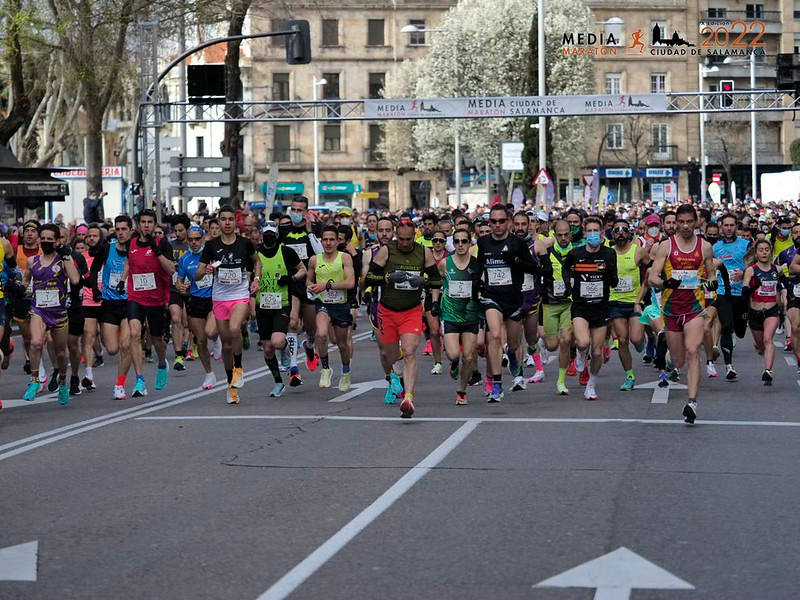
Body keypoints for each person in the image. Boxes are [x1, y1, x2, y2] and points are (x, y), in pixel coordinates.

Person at [365, 220, 441, 418]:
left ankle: (408, 397)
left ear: (414, 236)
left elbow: (437, 280)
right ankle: (396, 373)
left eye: (409, 239)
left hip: (411, 310)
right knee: (390, 355)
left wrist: (423, 281)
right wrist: (388, 278)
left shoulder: (423, 252)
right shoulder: (386, 251)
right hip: (387, 311)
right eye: (401, 239)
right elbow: (369, 278)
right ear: (395, 236)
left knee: (409, 351)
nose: (405, 243)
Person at [650, 204, 717, 425]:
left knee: (692, 351)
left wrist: (711, 287)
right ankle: (670, 365)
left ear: (696, 222)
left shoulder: (704, 247)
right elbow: (652, 277)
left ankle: (692, 402)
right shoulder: (666, 246)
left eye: (689, 222)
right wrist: (665, 282)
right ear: (675, 223)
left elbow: (711, 274)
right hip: (671, 309)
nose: (686, 226)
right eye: (681, 222)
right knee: (678, 360)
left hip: (694, 308)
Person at [475, 205, 544, 401]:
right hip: (491, 297)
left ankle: (513, 356)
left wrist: (515, 260)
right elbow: (480, 267)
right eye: (493, 221)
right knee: (495, 337)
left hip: (514, 299)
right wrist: (477, 284)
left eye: (501, 221)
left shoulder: (518, 243)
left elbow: (532, 268)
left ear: (508, 222)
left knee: (513, 344)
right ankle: (497, 385)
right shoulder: (483, 242)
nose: (497, 225)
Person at [196, 205, 260, 404]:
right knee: (226, 345)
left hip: (240, 295)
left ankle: (238, 368)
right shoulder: (211, 245)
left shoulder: (244, 243)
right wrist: (205, 271)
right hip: (219, 298)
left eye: (230, 219)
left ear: (235, 222)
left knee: (234, 328)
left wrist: (256, 279)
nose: (227, 223)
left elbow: (257, 261)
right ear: (218, 222)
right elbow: (197, 274)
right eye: (223, 219)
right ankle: (231, 386)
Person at [21, 224, 80, 405]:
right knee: (36, 342)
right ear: (39, 240)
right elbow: (25, 281)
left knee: (61, 353)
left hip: (58, 312)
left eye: (50, 239)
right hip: (38, 309)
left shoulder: (63, 260)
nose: (46, 242)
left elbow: (75, 279)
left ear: (57, 241)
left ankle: (62, 381)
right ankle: (35, 379)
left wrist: (66, 256)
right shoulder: (32, 261)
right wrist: (18, 289)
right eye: (43, 239)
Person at [120, 209, 175, 397]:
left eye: (150, 222)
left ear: (155, 224)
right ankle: (140, 380)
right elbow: (129, 262)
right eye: (143, 222)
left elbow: (171, 270)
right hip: (135, 297)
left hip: (156, 299)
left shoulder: (162, 243)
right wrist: (122, 280)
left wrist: (157, 251)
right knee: (134, 333)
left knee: (157, 340)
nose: (146, 225)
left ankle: (162, 363)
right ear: (138, 224)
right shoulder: (131, 242)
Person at [563, 217, 619, 401]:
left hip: (601, 307)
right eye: (590, 231)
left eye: (596, 231)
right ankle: (580, 354)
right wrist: (568, 285)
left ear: (602, 233)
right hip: (581, 306)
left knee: (596, 352)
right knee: (583, 342)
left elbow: (614, 280)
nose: (593, 234)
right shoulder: (575, 253)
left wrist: (609, 273)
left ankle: (591, 385)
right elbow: (565, 269)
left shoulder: (609, 253)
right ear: (585, 233)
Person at [254, 221, 305, 397]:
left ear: (276, 235)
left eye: (271, 234)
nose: (268, 237)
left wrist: (290, 278)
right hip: (262, 305)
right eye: (265, 234)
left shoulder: (286, 252)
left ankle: (284, 349)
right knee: (268, 348)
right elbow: (249, 276)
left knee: (276, 342)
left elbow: (302, 270)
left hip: (281, 304)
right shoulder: (256, 254)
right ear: (261, 235)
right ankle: (278, 382)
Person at [307, 225, 356, 391]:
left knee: (341, 343)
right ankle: (325, 369)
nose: (328, 243)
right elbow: (309, 279)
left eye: (332, 240)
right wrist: (310, 286)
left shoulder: (344, 258)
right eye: (325, 240)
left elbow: (350, 282)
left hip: (341, 305)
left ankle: (346, 372)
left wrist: (327, 286)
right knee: (321, 334)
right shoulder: (314, 260)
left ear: (337, 241)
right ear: (321, 241)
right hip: (323, 303)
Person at [89, 215, 134, 400]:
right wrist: (95, 289)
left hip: (130, 303)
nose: (121, 233)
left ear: (131, 231)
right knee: (112, 349)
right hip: (109, 304)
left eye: (124, 229)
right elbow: (94, 269)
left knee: (126, 345)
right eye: (118, 229)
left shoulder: (135, 250)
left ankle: (120, 385)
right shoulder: (107, 249)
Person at [282, 196, 323, 386]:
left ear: (306, 212)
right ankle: (294, 368)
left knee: (311, 328)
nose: (296, 213)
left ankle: (309, 345)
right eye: (293, 210)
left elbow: (321, 253)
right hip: (291, 282)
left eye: (300, 210)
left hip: (309, 283)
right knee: (292, 323)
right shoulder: (283, 229)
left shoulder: (315, 229)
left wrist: (309, 231)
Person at [437, 227, 482, 405]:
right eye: (457, 241)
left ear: (470, 243)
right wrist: (435, 302)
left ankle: (462, 390)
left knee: (469, 357)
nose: (460, 245)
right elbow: (438, 283)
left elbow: (484, 284)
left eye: (464, 241)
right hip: (450, 314)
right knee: (454, 354)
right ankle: (454, 363)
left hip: (471, 314)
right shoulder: (445, 263)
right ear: (453, 243)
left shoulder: (477, 264)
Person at [608, 218, 651, 391]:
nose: (620, 233)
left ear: (629, 233)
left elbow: (651, 271)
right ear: (612, 234)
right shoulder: (608, 253)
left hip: (634, 302)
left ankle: (642, 342)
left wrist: (642, 296)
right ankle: (630, 376)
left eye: (624, 230)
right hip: (615, 302)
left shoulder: (638, 251)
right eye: (617, 230)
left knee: (636, 339)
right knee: (622, 340)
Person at [176, 225, 218, 390]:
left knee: (210, 332)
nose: (194, 242)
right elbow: (179, 281)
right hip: (196, 300)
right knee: (200, 341)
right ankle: (209, 374)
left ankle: (217, 339)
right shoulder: (185, 259)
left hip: (213, 299)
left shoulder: (212, 254)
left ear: (203, 239)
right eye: (191, 239)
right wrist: (180, 286)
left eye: (197, 239)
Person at [713, 215, 751, 381]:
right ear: (721, 227)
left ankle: (737, 329)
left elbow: (754, 265)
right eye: (726, 225)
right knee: (726, 326)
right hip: (724, 292)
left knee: (740, 331)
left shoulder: (745, 245)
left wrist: (743, 273)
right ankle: (729, 366)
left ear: (736, 227)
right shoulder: (715, 247)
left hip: (741, 293)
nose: (729, 228)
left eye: (732, 225)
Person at [541, 220, 574, 395]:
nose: (563, 238)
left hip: (569, 303)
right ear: (554, 235)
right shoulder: (546, 251)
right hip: (550, 303)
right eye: (559, 235)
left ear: (571, 234)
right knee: (552, 345)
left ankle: (561, 381)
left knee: (566, 340)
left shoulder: (577, 252)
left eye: (566, 234)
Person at [743, 239, 781, 386]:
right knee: (760, 345)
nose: (764, 253)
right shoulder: (751, 270)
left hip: (771, 310)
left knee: (767, 339)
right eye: (761, 250)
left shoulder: (777, 270)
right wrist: (754, 287)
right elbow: (744, 292)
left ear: (770, 252)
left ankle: (768, 371)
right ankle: (760, 349)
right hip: (755, 311)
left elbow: (783, 287)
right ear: (756, 253)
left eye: (766, 250)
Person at [168, 214, 191, 370]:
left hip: (191, 288)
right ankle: (178, 354)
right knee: (175, 319)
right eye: (175, 230)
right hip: (174, 287)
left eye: (181, 230)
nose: (178, 233)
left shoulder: (193, 245)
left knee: (187, 322)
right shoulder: (169, 245)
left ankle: (188, 345)